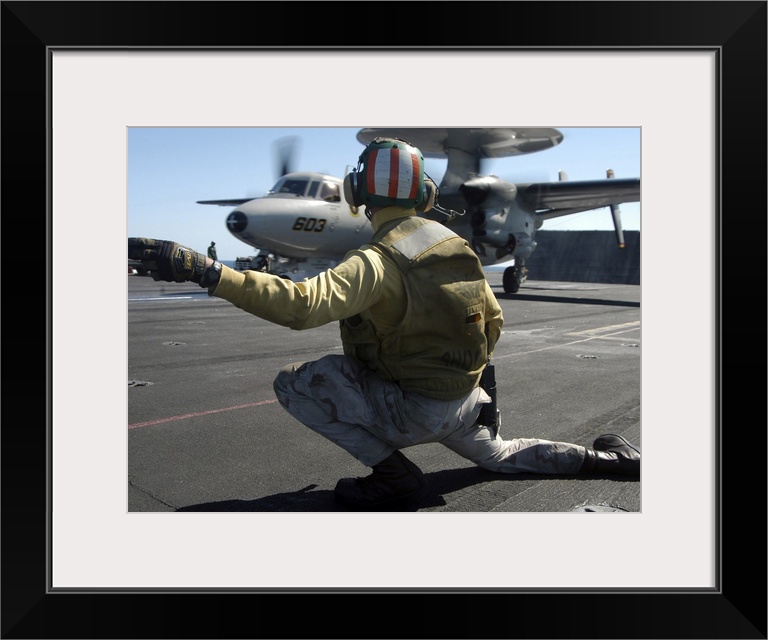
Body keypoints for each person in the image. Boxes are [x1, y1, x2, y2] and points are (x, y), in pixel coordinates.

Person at [128, 137, 640, 511]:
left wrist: (207, 271)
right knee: (502, 454)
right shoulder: (456, 246)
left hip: (408, 411)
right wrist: (478, 393)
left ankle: (393, 476)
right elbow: (494, 321)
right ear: (424, 194)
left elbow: (301, 306)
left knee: (295, 381)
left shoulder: (377, 260)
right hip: (462, 404)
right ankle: (619, 463)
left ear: (355, 192)